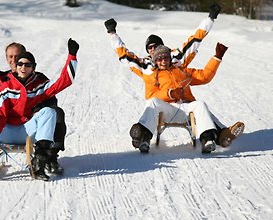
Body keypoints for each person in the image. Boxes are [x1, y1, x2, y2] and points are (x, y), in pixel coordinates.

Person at [104, 5, 244, 149]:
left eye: (156, 46)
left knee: (200, 106)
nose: (154, 50)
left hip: (185, 105)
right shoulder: (146, 67)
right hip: (164, 108)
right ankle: (142, 135)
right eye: (150, 48)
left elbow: (194, 41)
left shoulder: (177, 62)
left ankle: (214, 137)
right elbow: (124, 55)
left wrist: (210, 19)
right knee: (152, 102)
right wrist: (112, 33)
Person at [0, 38, 79, 180]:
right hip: (4, 130)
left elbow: (64, 81)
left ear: (33, 66)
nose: (20, 65)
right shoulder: (4, 83)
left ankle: (42, 158)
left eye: (26, 64)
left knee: (52, 112)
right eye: (17, 61)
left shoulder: (40, 84)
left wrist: (72, 55)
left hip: (28, 130)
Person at [126, 43, 227, 154]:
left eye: (165, 58)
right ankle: (143, 138)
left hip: (186, 109)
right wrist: (170, 94)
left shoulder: (181, 71)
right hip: (167, 111)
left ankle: (207, 139)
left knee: (200, 104)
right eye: (159, 59)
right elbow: (151, 95)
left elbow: (204, 76)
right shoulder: (153, 75)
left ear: (170, 58)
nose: (163, 61)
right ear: (155, 61)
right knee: (152, 102)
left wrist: (217, 57)